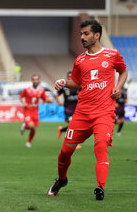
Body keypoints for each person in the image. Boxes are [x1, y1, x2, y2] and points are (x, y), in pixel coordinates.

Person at [47, 20, 128, 200]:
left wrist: (119, 87)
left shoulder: (112, 55)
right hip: (82, 114)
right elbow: (76, 83)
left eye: (85, 34)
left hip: (104, 113)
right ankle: (61, 180)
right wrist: (63, 82)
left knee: (100, 146)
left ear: (96, 35)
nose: (82, 37)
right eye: (81, 34)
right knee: (65, 152)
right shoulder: (80, 60)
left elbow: (123, 71)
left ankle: (100, 187)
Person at [19, 74, 53, 148]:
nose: (35, 81)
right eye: (34, 79)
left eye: (37, 79)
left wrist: (49, 100)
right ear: (32, 80)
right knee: (31, 126)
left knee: (33, 128)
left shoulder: (41, 90)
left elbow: (45, 98)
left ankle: (28, 141)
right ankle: (27, 138)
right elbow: (21, 97)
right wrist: (23, 102)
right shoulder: (27, 89)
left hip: (35, 111)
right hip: (27, 110)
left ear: (39, 80)